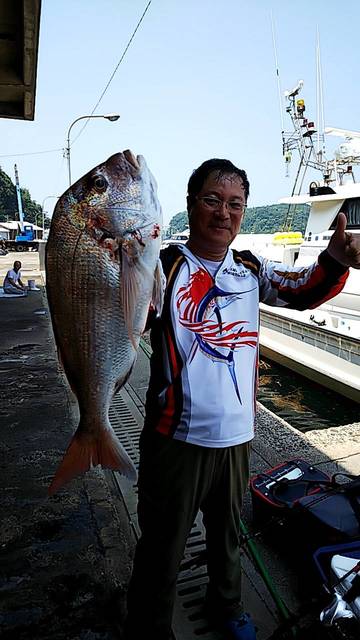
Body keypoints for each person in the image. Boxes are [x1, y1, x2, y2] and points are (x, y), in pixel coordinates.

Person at [124, 158, 360, 640]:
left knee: (227, 536)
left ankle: (227, 608)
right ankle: (149, 624)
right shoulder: (164, 267)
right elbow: (127, 313)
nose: (223, 213)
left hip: (237, 437)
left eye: (235, 204)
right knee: (163, 544)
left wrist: (335, 257)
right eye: (212, 200)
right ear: (191, 205)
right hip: (175, 438)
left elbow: (302, 291)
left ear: (245, 212)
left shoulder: (251, 269)